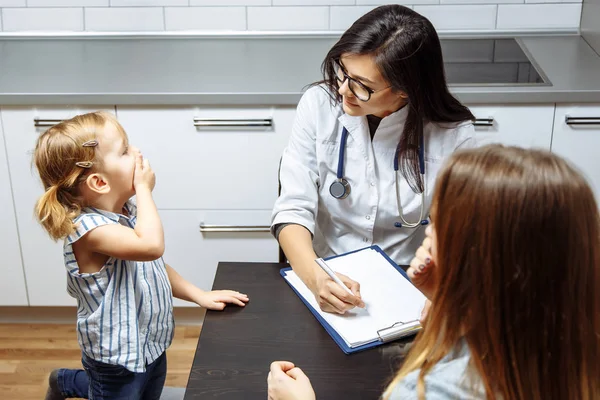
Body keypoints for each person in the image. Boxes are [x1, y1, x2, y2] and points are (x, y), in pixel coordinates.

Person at [268, 145, 600, 400]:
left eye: (438, 224)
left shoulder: (429, 391)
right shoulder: (575, 359)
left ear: (478, 261)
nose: (427, 234)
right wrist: (446, 302)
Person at [271, 4, 476, 314]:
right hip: (328, 272)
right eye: (343, 72)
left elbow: (457, 236)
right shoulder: (318, 106)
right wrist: (317, 278)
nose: (343, 90)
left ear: (407, 91)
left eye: (362, 86)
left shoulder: (454, 134)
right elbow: (293, 209)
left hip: (409, 282)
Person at [35, 112, 249, 400]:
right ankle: (66, 382)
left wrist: (199, 295)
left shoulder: (126, 212)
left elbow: (152, 266)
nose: (136, 152)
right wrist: (145, 189)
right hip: (114, 360)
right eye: (124, 151)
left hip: (150, 345)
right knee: (113, 392)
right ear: (99, 182)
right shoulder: (89, 230)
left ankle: (66, 381)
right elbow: (151, 247)